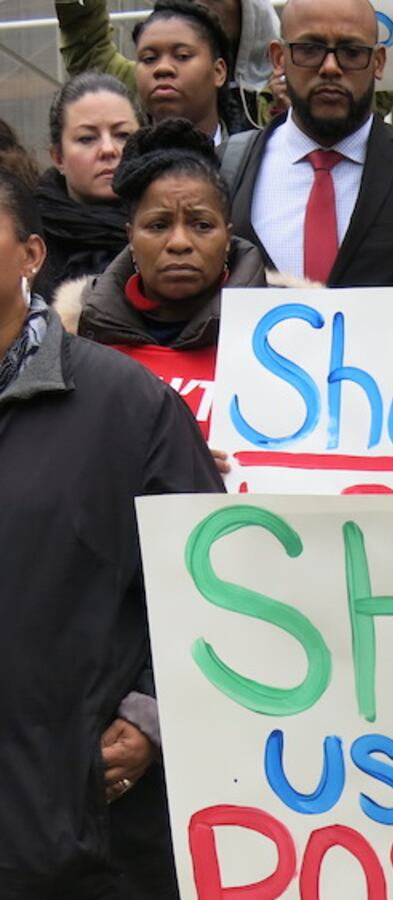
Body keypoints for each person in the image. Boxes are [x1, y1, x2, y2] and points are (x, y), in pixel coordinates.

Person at [0, 168, 222, 899]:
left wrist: (150, 718)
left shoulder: (130, 407)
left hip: (75, 834)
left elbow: (215, 586)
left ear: (32, 254)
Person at [53, 119, 309, 444]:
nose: (179, 243)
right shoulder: (74, 338)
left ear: (228, 237)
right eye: (158, 225)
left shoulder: (297, 332)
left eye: (201, 225)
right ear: (131, 237)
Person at [220, 0, 393, 287]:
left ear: (378, 62)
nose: (330, 67)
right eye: (309, 49)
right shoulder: (226, 168)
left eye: (352, 52)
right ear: (278, 58)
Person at [55, 0, 281, 133]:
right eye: (150, 57)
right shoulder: (145, 84)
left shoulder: (289, 89)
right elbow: (89, 51)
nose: (164, 69)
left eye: (182, 56)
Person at [34, 75, 140, 300]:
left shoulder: (174, 228)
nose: (108, 149)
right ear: (58, 157)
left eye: (123, 135)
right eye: (87, 138)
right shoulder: (28, 239)